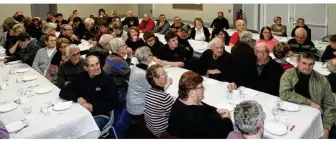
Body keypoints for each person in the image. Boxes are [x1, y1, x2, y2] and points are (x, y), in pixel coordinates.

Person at [279, 52, 336, 139]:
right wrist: (310, 103)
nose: (307, 67)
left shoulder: (322, 80)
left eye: (310, 64)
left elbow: (330, 105)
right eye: (304, 63)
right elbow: (284, 94)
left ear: (314, 64)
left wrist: (326, 128)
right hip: (291, 115)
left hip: (314, 117)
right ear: (298, 62)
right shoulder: (288, 74)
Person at [59, 55, 119, 130]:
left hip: (100, 115)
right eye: (92, 65)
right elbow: (63, 91)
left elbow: (115, 103)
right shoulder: (81, 77)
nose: (96, 67)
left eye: (97, 64)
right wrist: (77, 98)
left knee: (83, 129)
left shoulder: (108, 80)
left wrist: (93, 107)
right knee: (64, 124)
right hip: (81, 111)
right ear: (86, 68)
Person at [167, 71, 233, 138]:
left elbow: (201, 104)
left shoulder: (181, 100)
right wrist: (227, 119)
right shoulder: (199, 118)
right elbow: (220, 134)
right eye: (201, 87)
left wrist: (215, 110)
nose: (204, 88)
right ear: (192, 92)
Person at [144, 64, 174, 137]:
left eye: (165, 72)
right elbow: (175, 115)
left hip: (150, 126)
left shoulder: (149, 91)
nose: (166, 75)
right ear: (155, 79)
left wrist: (168, 84)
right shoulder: (165, 97)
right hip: (162, 131)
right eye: (163, 74)